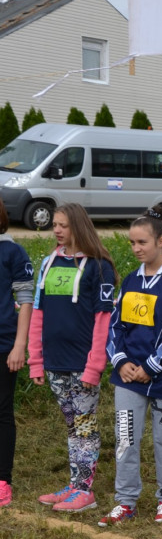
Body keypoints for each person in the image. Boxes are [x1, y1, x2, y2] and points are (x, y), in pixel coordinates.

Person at [100, 209, 162, 527]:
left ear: (161, 240)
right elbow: (116, 326)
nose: (136, 248)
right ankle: (125, 500)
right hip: (129, 377)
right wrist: (122, 361)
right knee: (126, 437)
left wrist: (151, 367)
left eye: (142, 242)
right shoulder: (130, 280)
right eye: (131, 243)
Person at [30, 202, 117, 513]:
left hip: (82, 364)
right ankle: (74, 484)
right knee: (72, 425)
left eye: (63, 225)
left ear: (79, 227)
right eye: (55, 224)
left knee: (84, 425)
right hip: (54, 361)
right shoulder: (48, 263)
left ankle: (85, 492)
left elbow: (103, 320)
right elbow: (38, 314)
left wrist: (94, 365)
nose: (57, 230)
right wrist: (36, 359)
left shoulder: (99, 267)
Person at [0, 199, 34, 507]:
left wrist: (20, 345)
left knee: (2, 411)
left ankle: (2, 481)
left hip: (4, 344)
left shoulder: (13, 252)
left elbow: (25, 299)